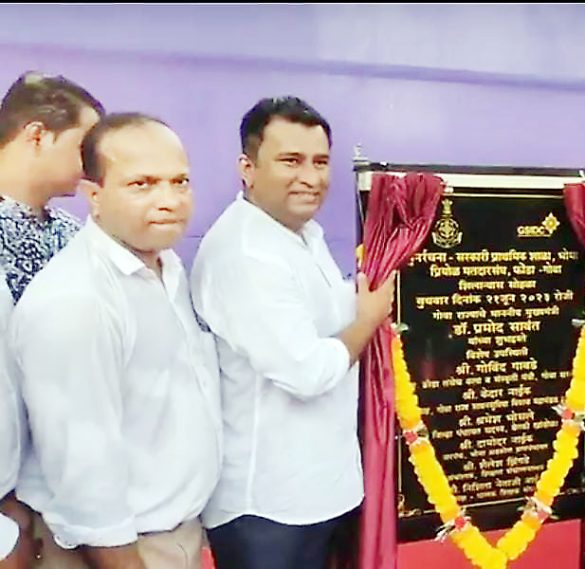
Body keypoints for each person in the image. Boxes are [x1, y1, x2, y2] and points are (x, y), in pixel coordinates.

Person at [10, 113, 221, 569]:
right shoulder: (77, 300)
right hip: (117, 550)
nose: (169, 201)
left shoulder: (166, 267)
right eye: (142, 184)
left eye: (180, 182)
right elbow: (84, 471)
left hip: (175, 535)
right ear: (94, 196)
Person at [191, 96, 394, 569]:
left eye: (320, 162)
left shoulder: (301, 234)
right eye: (291, 161)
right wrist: (367, 321)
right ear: (247, 168)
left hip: (322, 488)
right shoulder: (246, 253)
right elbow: (308, 371)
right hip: (269, 507)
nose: (310, 177)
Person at [0, 71, 104, 569]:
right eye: (85, 147)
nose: (93, 164)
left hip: (69, 468)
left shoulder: (73, 233)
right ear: (37, 135)